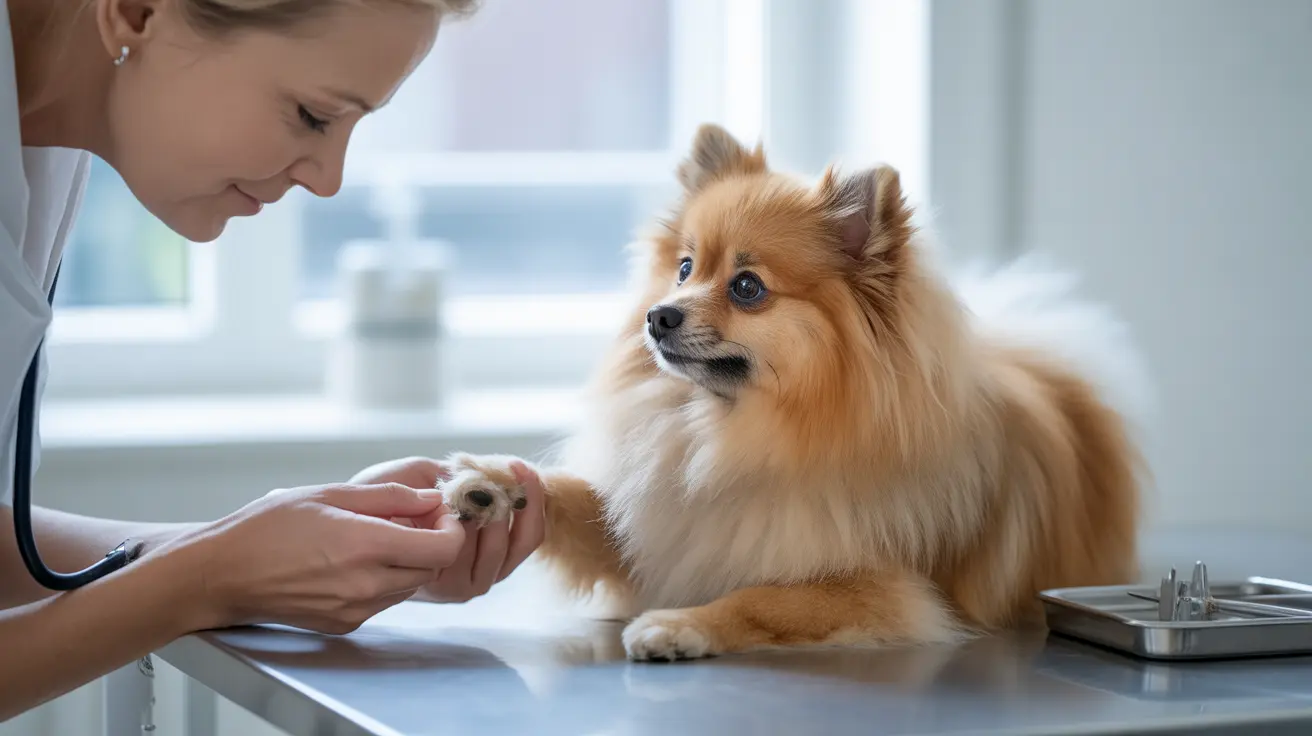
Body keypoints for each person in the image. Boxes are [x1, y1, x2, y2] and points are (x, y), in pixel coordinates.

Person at [0, 0, 547, 721]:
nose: (329, 179)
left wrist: (279, 554)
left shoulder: (44, 148)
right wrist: (208, 579)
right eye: (315, 116)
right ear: (138, 11)